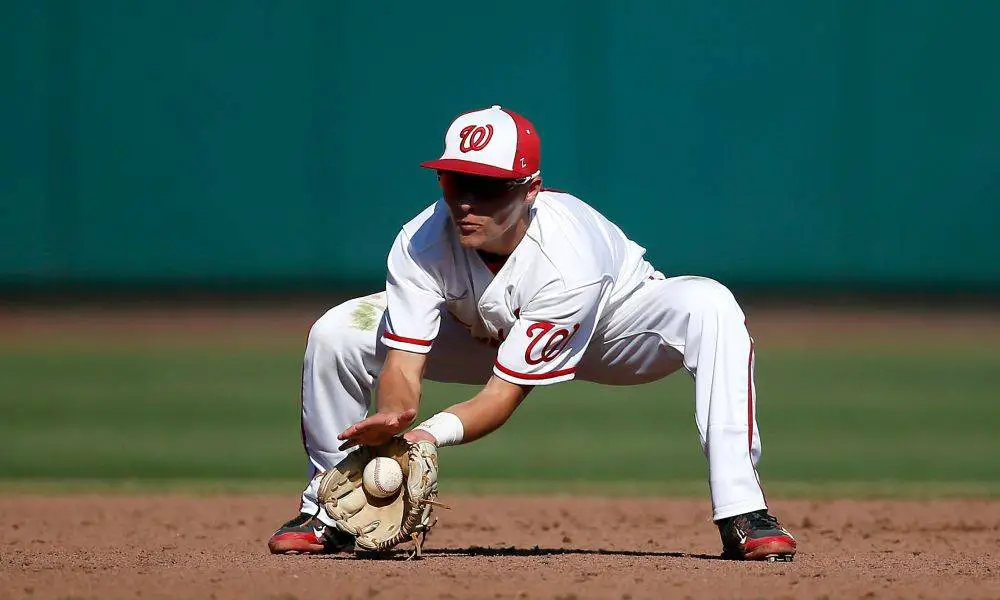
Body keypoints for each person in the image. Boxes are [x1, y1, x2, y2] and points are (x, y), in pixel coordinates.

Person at [267, 105, 797, 561]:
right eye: (455, 182)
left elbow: (501, 398)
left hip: (617, 332)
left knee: (709, 304)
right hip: (479, 333)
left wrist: (425, 439)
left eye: (488, 188)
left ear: (530, 191)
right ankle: (329, 508)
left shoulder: (568, 260)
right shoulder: (421, 242)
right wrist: (394, 421)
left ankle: (742, 510)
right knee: (339, 330)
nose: (466, 202)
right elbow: (403, 367)